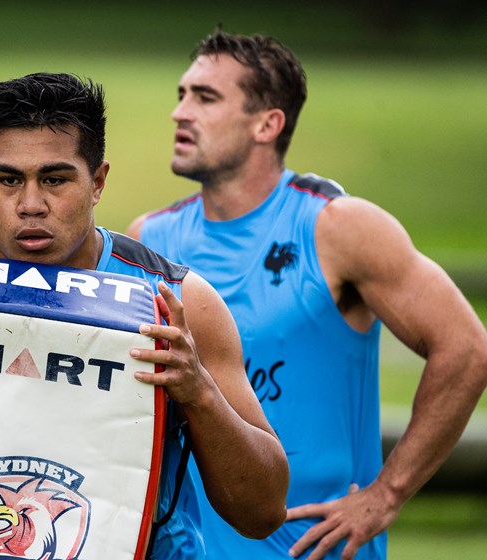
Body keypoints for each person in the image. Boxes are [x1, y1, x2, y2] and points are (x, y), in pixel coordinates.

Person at [0, 72, 289, 559]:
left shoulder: (178, 306)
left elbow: (261, 513)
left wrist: (198, 391)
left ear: (97, 182)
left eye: (55, 179)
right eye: (8, 180)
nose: (31, 205)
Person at [128, 29, 487, 560]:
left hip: (312, 550)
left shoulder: (337, 227)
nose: (181, 113)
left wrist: (386, 495)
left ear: (267, 124)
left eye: (205, 98)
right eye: (182, 95)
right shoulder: (148, 241)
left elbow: (467, 350)